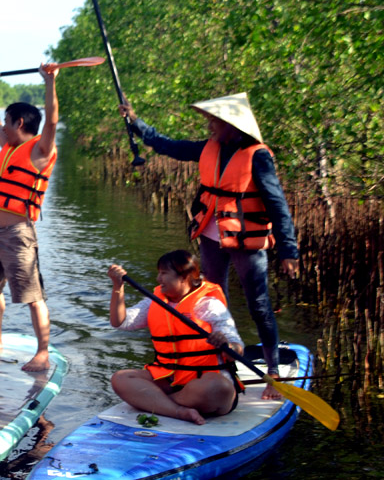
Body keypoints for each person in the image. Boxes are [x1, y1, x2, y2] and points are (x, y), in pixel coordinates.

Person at [118, 92, 300, 398]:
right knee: (214, 302)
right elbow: (169, 146)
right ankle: (221, 363)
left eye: (214, 121)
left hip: (246, 240)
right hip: (211, 235)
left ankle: (272, 373)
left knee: (258, 304)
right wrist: (137, 123)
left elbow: (277, 203)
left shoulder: (258, 156)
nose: (209, 126)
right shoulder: (209, 147)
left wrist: (288, 249)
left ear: (232, 124)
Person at [0, 63, 59, 371]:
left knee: (32, 294)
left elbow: (51, 121)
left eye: (8, 123)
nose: (2, 127)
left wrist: (49, 82)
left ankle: (43, 352)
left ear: (20, 122)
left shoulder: (39, 150)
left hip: (18, 233)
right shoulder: (8, 146)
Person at [107, 251, 245, 425]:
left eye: (164, 273)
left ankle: (155, 402)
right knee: (121, 378)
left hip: (203, 384)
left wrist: (226, 344)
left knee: (219, 386)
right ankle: (178, 411)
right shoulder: (154, 302)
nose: (158, 279)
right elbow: (120, 322)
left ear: (184, 277)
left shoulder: (209, 304)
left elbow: (238, 349)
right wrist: (117, 287)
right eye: (159, 273)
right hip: (170, 380)